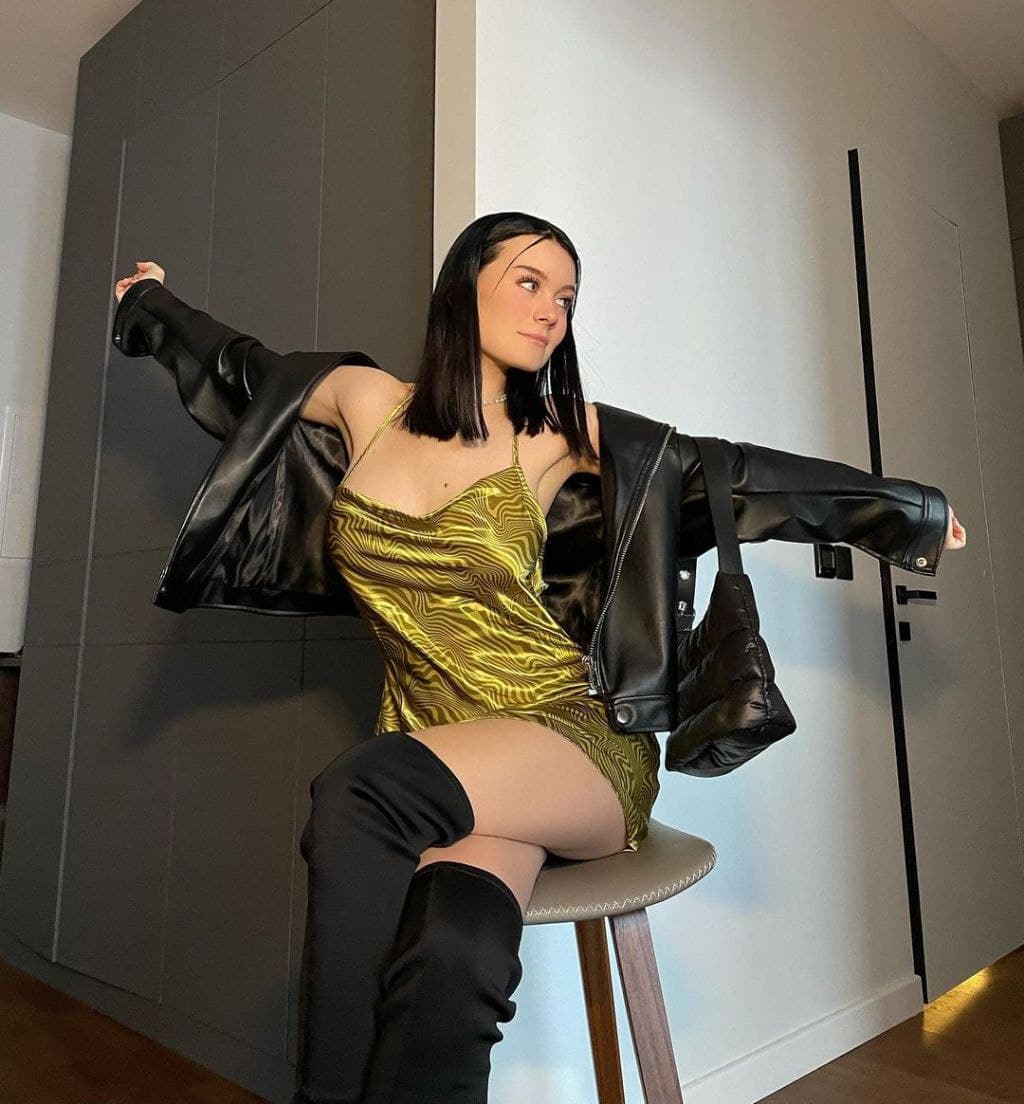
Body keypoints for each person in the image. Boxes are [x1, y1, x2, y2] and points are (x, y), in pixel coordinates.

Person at [112, 213, 966, 1104]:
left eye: (566, 297)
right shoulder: (364, 402)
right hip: (445, 748)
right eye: (529, 282)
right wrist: (150, 305)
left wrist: (902, 510)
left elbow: (730, 472)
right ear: (462, 287)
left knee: (361, 790)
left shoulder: (553, 432)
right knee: (452, 958)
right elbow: (241, 368)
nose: (552, 310)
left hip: (570, 740)